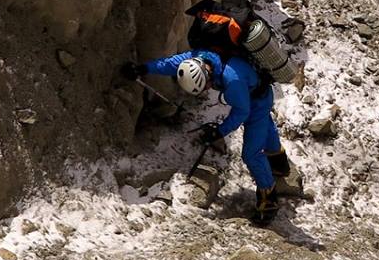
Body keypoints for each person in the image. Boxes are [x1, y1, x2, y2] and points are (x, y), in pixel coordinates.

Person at [121, 50, 298, 225]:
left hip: (257, 102)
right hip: (253, 89)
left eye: (206, 86)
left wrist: (219, 132)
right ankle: (279, 163)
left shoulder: (232, 81)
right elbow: (172, 64)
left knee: (251, 154)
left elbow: (242, 112)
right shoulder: (199, 58)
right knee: (265, 128)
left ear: (208, 77)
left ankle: (269, 200)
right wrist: (143, 69)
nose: (207, 90)